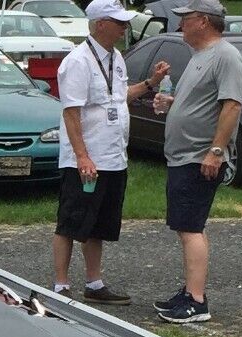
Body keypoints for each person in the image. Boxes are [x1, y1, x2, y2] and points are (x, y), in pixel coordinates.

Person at [51, 0, 170, 304]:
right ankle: (61, 285)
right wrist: (82, 156)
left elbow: (117, 96)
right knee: (70, 220)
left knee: (99, 224)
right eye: (118, 22)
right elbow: (72, 112)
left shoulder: (116, 57)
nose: (124, 27)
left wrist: (150, 83)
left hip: (113, 156)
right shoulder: (78, 61)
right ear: (100, 24)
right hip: (86, 158)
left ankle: (94, 283)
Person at [149, 0, 242, 324]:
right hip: (183, 156)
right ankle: (190, 290)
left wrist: (216, 151)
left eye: (185, 19)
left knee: (191, 227)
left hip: (198, 156)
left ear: (202, 21)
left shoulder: (226, 56)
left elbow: (231, 106)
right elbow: (203, 102)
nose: (179, 25)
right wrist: (172, 103)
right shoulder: (199, 57)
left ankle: (197, 301)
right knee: (185, 226)